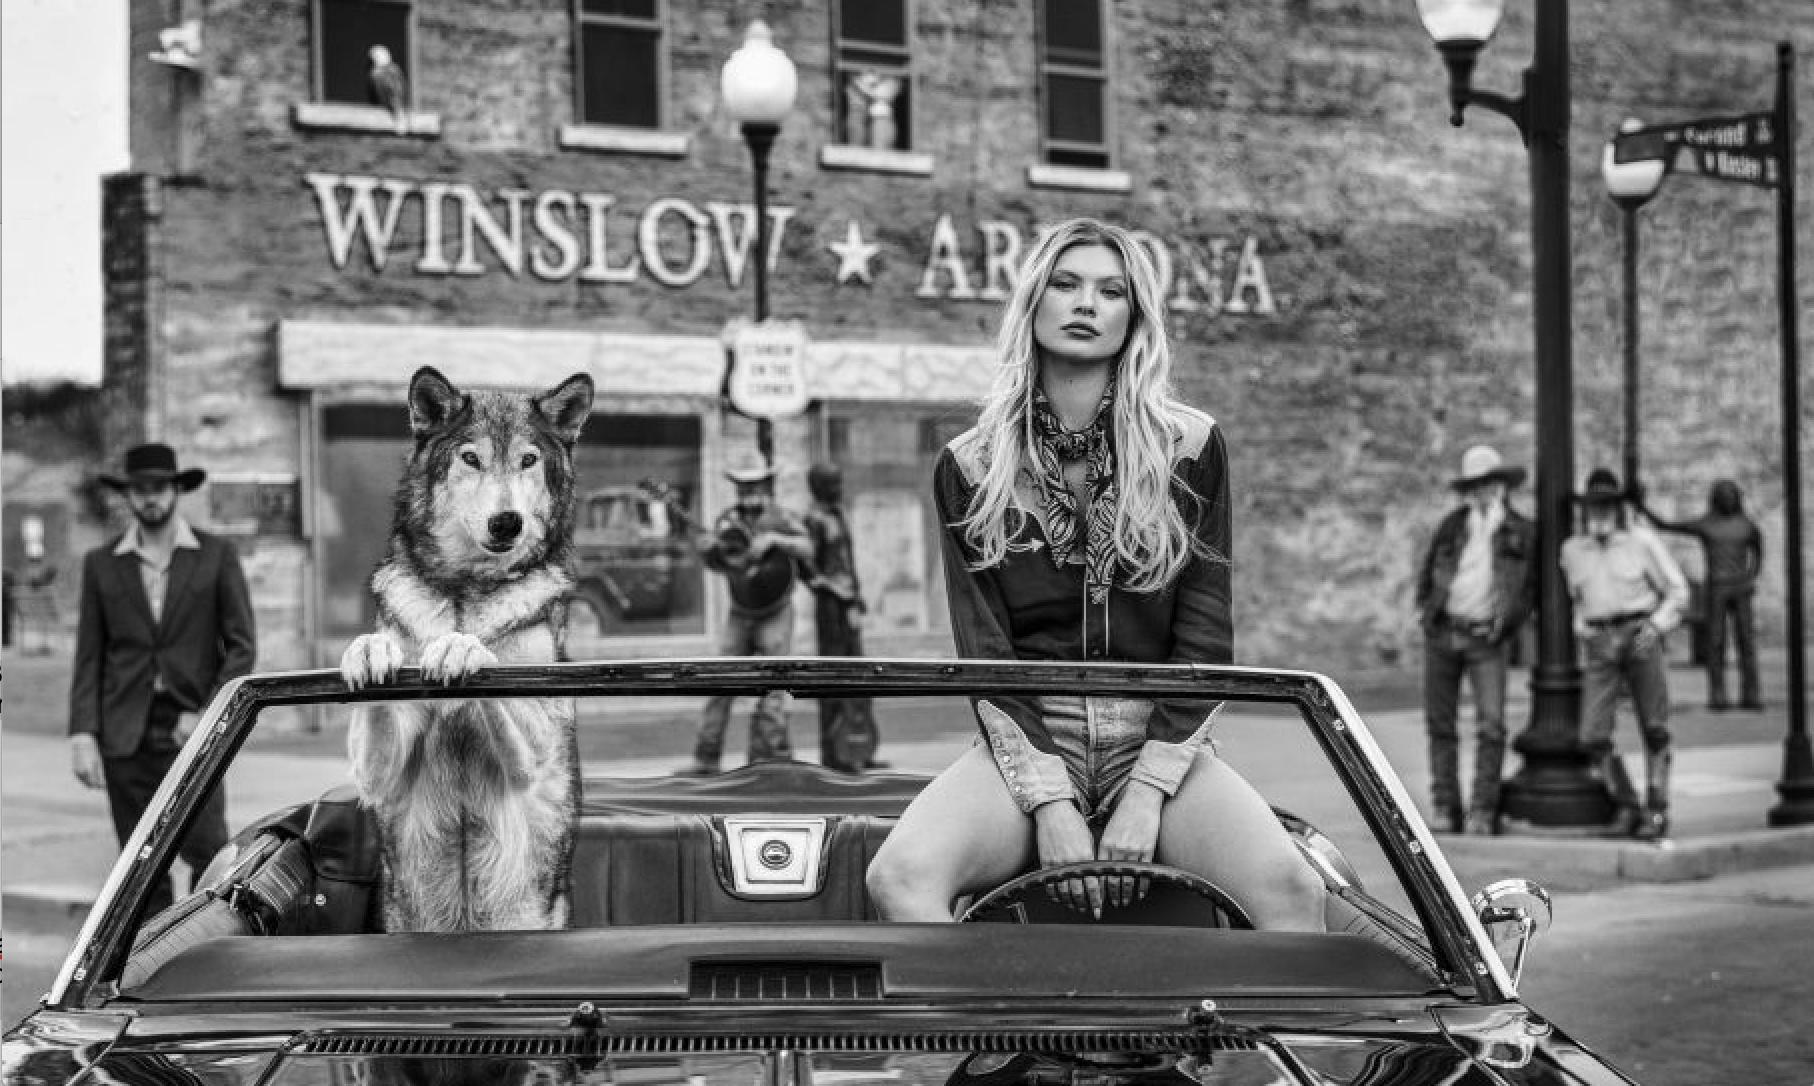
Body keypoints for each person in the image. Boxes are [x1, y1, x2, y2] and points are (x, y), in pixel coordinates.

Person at [865, 218, 1326, 928]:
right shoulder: (971, 464)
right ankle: (1006, 1037)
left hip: (1159, 730)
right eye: (1066, 283)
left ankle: (1253, 1044)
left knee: (1295, 890)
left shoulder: (1189, 447)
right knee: (900, 877)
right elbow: (987, 656)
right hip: (1031, 729)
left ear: (1133, 318)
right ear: (1034, 301)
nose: (1087, 303)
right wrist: (1048, 802)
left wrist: (1147, 792)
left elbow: (1204, 638)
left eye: (1111, 291)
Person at [68, 443, 257, 914]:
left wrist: (208, 715)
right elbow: (89, 653)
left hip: (193, 731)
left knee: (210, 854)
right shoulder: (101, 562)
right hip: (124, 734)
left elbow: (241, 647)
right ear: (128, 496)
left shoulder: (216, 556)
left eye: (159, 488)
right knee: (138, 867)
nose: (150, 498)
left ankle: (197, 957)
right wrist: (82, 733)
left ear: (177, 491)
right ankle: (148, 971)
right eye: (140, 490)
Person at [1560, 468, 1690, 840]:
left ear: (1618, 508)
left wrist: (1657, 626)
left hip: (1639, 633)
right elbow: (1576, 599)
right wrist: (1583, 629)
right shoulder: (1572, 550)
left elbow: (1678, 590)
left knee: (1655, 726)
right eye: (1593, 506)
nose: (1599, 512)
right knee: (1592, 734)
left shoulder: (1640, 542)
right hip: (1600, 639)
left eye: (1607, 505)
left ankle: (1657, 808)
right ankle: (1627, 803)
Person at [1413, 445, 1536, 836]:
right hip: (1444, 631)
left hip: (1487, 638)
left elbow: (1528, 591)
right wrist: (1425, 613)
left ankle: (1482, 810)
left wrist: (1508, 627)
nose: (1482, 491)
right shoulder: (1453, 524)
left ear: (1500, 485)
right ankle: (1446, 806)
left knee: (1492, 726)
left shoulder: (1520, 530)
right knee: (1440, 724)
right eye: (1475, 485)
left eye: (1488, 483)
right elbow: (1429, 570)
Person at [682, 449, 816, 774]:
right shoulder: (727, 522)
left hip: (776, 612)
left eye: (754, 485)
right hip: (740, 612)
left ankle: (769, 761)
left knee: (774, 685)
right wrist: (709, 553)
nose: (748, 492)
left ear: (767, 486)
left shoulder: (782, 518)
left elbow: (809, 548)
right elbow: (721, 564)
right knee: (720, 683)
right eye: (743, 486)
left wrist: (775, 540)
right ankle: (705, 758)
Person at [1635, 479, 1764, 710]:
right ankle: (1717, 695)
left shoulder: (1746, 525)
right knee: (1715, 642)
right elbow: (1666, 525)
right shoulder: (1708, 525)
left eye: (1731, 495)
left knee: (1746, 642)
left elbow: (1758, 552)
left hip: (1740, 588)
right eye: (1723, 495)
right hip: (1717, 588)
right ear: (1716, 499)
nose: (1728, 499)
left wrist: (1751, 576)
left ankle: (1751, 694)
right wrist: (1641, 506)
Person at [802, 462, 884, 773]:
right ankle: (835, 754)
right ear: (817, 487)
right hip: (831, 606)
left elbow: (846, 560)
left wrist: (857, 594)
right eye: (832, 483)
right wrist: (828, 588)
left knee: (860, 676)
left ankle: (862, 747)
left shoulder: (839, 514)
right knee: (834, 676)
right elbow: (807, 569)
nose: (839, 488)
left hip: (849, 601)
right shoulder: (814, 520)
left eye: (839, 481)